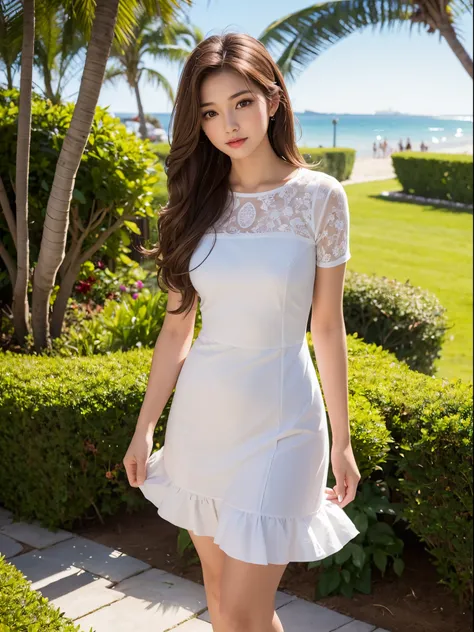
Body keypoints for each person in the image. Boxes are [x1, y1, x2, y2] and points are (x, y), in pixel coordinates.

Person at [123, 32, 360, 632]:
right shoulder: (191, 205)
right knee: (226, 607)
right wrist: (145, 427)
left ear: (272, 100)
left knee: (248, 612)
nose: (228, 123)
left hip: (284, 423)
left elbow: (327, 328)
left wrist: (341, 440)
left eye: (242, 102)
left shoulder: (320, 198)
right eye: (209, 111)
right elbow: (176, 331)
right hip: (204, 420)